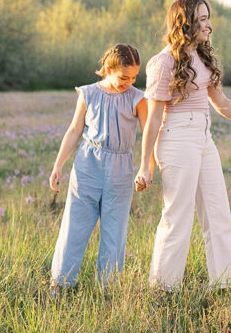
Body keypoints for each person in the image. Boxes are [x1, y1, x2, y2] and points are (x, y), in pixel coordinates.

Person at [134, 0, 231, 290]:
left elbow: (221, 104)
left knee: (217, 213)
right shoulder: (163, 62)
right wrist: (146, 166)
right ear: (186, 23)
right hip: (177, 139)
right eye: (202, 19)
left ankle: (223, 285)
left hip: (203, 138)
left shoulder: (203, 57)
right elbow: (154, 119)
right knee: (177, 217)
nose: (209, 24)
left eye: (208, 18)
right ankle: (163, 288)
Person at [49, 43, 148, 289]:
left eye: (134, 77)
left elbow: (149, 134)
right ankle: (61, 283)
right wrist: (58, 164)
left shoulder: (138, 98)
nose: (129, 82)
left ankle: (109, 287)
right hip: (87, 165)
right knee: (75, 224)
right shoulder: (88, 93)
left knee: (115, 231)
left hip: (121, 167)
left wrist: (147, 168)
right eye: (124, 77)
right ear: (107, 68)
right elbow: (74, 130)